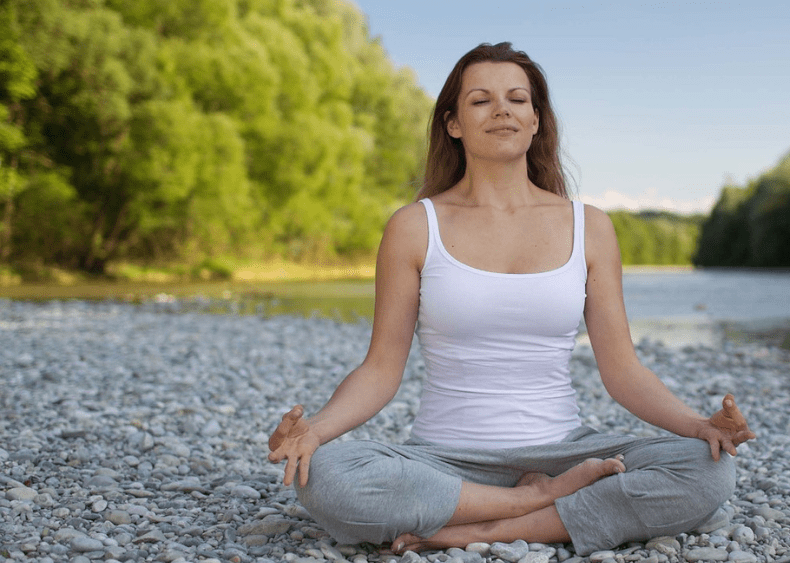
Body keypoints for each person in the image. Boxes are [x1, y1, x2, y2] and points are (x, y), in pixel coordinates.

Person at [267, 42, 756, 556]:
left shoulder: (590, 227)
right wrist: (316, 430)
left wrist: (698, 426)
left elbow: (623, 370)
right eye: (480, 100)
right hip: (445, 459)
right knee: (324, 476)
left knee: (708, 471)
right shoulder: (414, 227)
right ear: (453, 123)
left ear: (536, 120)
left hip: (564, 452)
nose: (502, 109)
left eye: (517, 99)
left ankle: (480, 527)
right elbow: (381, 369)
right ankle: (540, 505)